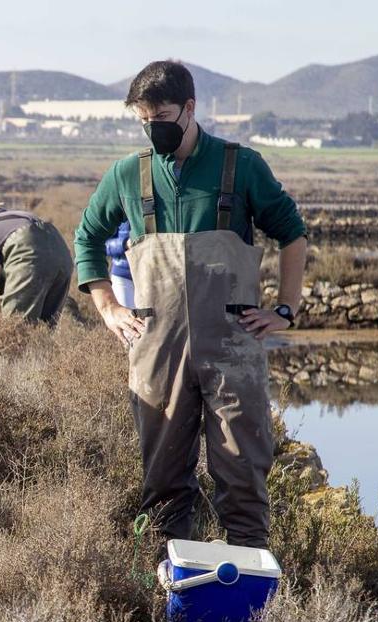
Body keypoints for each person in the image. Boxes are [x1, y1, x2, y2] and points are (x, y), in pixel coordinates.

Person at [72, 60, 308, 552]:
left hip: (231, 348)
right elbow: (87, 237)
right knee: (162, 484)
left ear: (190, 108)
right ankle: (170, 590)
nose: (151, 126)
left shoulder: (240, 166)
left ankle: (245, 596)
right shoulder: (125, 176)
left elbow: (292, 233)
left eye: (161, 115)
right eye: (143, 118)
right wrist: (109, 307)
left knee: (242, 476)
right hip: (157, 348)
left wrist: (285, 309)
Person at [106, 221, 134, 309]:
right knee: (128, 320)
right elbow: (102, 244)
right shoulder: (120, 210)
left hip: (153, 278)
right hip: (123, 276)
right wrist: (124, 244)